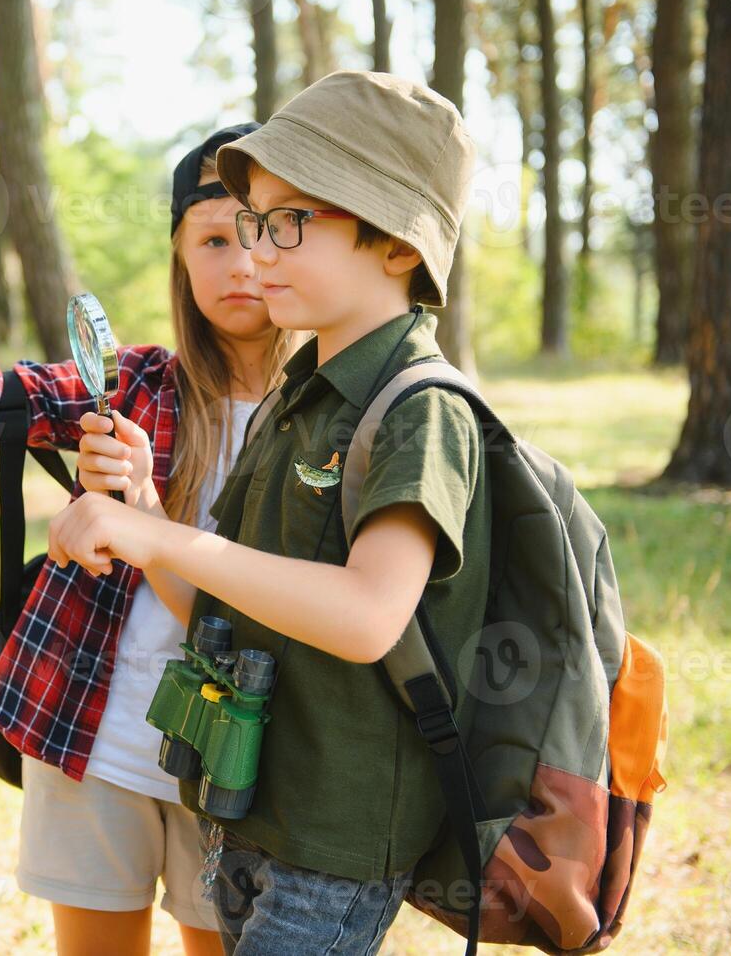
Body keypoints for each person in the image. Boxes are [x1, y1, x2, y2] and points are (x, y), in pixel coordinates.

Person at [45, 70, 488, 955]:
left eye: (288, 223)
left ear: (398, 243)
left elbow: (367, 616)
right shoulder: (301, 397)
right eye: (250, 224)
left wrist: (159, 533)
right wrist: (137, 508)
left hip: (333, 839)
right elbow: (221, 600)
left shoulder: (417, 408)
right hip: (250, 809)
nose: (256, 254)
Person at [0, 123, 300, 956]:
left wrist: (143, 510)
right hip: (90, 735)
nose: (240, 263)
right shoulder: (140, 382)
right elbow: (9, 398)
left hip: (240, 762)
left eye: (261, 234)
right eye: (212, 238)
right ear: (180, 258)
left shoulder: (329, 418)